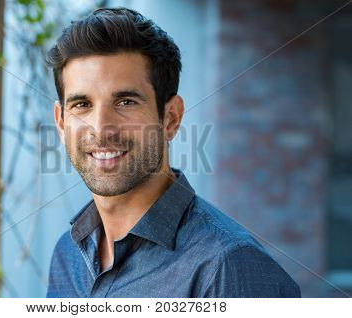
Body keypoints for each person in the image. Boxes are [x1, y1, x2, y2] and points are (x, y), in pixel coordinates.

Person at [45, 7, 301, 297]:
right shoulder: (68, 256)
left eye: (126, 102)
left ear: (171, 118)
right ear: (61, 122)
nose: (101, 128)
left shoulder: (228, 266)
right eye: (82, 104)